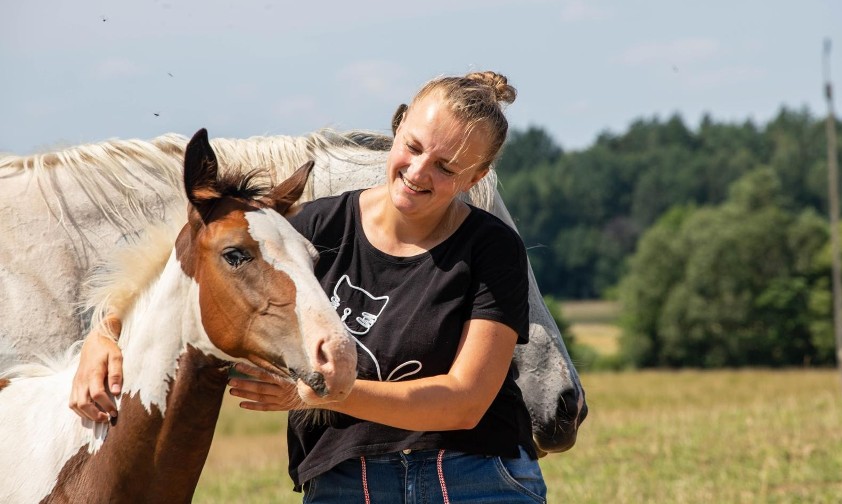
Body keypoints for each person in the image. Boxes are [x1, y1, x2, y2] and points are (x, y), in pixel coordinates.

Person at [70, 70, 547, 503]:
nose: (419, 172)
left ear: (476, 177)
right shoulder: (314, 231)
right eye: (415, 146)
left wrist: (321, 394)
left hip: (473, 478)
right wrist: (104, 332)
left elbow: (464, 403)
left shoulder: (492, 247)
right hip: (345, 483)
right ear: (397, 127)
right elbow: (198, 282)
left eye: (446, 167)